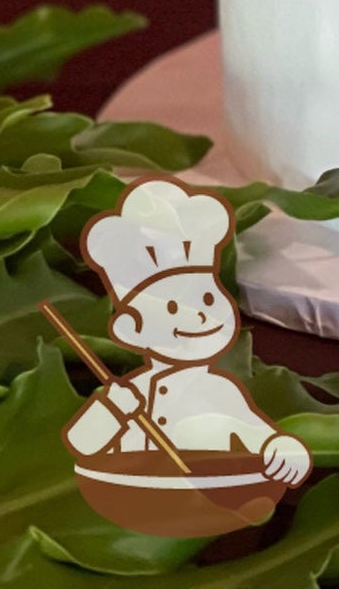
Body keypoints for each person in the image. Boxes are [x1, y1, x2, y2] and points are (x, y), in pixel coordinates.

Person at [62, 176, 311, 485]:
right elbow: (82, 443)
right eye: (170, 310)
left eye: (207, 299)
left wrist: (282, 449)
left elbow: (259, 436)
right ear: (131, 331)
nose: (198, 318)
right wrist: (112, 408)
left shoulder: (220, 390)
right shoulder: (134, 391)